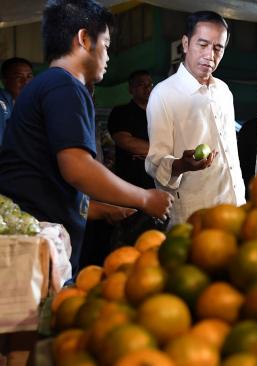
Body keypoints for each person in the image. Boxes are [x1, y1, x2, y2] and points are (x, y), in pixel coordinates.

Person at [0, 0, 172, 273]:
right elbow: (78, 168)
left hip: (39, 242)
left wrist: (106, 209)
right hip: (37, 252)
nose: (107, 56)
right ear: (83, 39)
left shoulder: (48, 84)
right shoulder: (65, 86)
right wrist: (145, 198)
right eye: (105, 44)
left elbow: (47, 182)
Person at [146, 11, 245, 226]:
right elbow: (155, 163)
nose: (210, 55)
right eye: (203, 44)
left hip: (235, 209)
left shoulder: (224, 91)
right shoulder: (164, 94)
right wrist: (182, 164)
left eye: (218, 48)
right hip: (195, 217)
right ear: (185, 43)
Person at [107, 70, 155, 189]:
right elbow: (125, 141)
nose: (147, 88)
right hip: (131, 183)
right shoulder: (121, 112)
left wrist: (147, 151)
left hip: (158, 181)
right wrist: (162, 151)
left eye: (150, 84)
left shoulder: (158, 114)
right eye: (141, 84)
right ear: (131, 89)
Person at [0, 57, 33, 144]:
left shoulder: (30, 103)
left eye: (29, 76)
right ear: (4, 80)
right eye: (18, 77)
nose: (25, 82)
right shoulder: (2, 104)